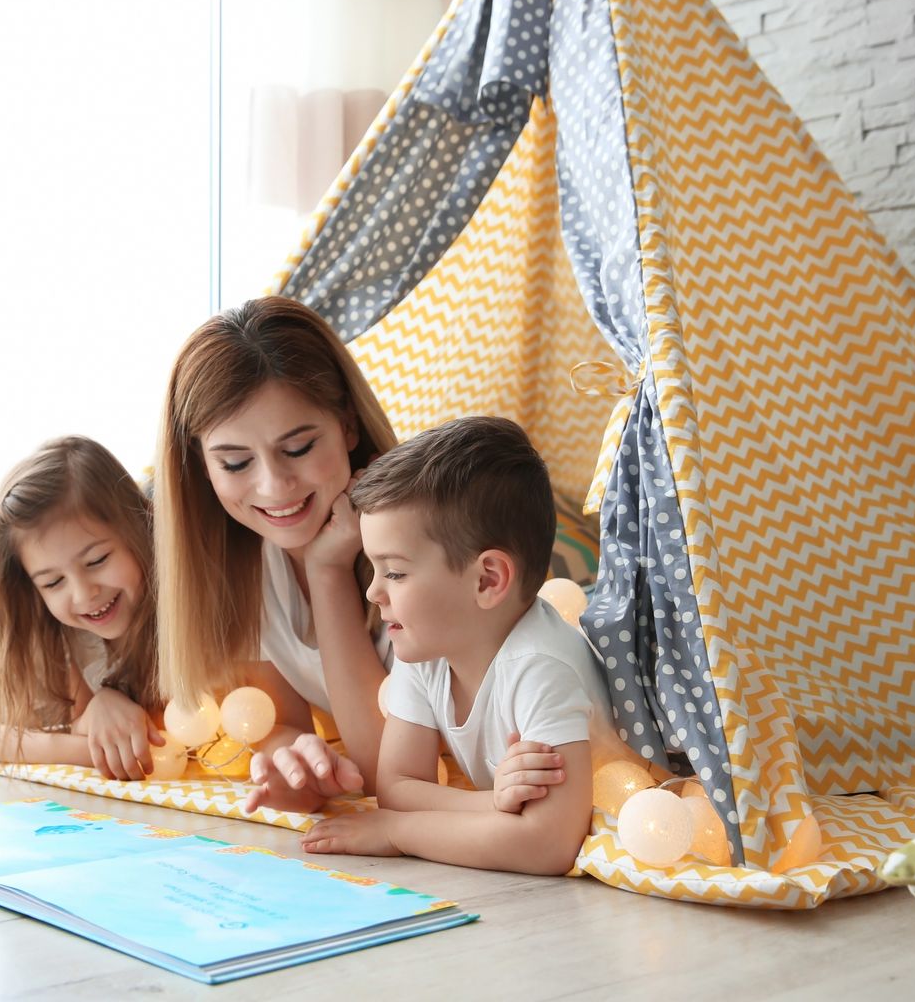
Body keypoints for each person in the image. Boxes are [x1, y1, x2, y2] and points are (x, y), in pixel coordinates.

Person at [155, 297, 566, 814]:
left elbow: (383, 769)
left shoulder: (419, 557)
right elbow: (281, 720)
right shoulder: (246, 560)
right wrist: (289, 758)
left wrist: (327, 570)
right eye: (235, 462)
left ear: (348, 424)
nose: (273, 485)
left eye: (299, 448)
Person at [301, 416, 613, 874]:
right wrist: (493, 804)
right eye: (374, 568)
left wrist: (396, 833)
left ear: (487, 580)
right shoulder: (426, 650)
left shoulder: (541, 668)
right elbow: (397, 787)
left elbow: (549, 844)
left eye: (396, 572)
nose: (373, 592)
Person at [0, 436, 165, 780]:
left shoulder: (181, 607)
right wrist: (98, 707)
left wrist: (3, 744)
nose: (84, 594)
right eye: (52, 583)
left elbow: (173, 751)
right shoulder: (58, 634)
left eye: (97, 560)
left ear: (138, 528)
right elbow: (81, 731)